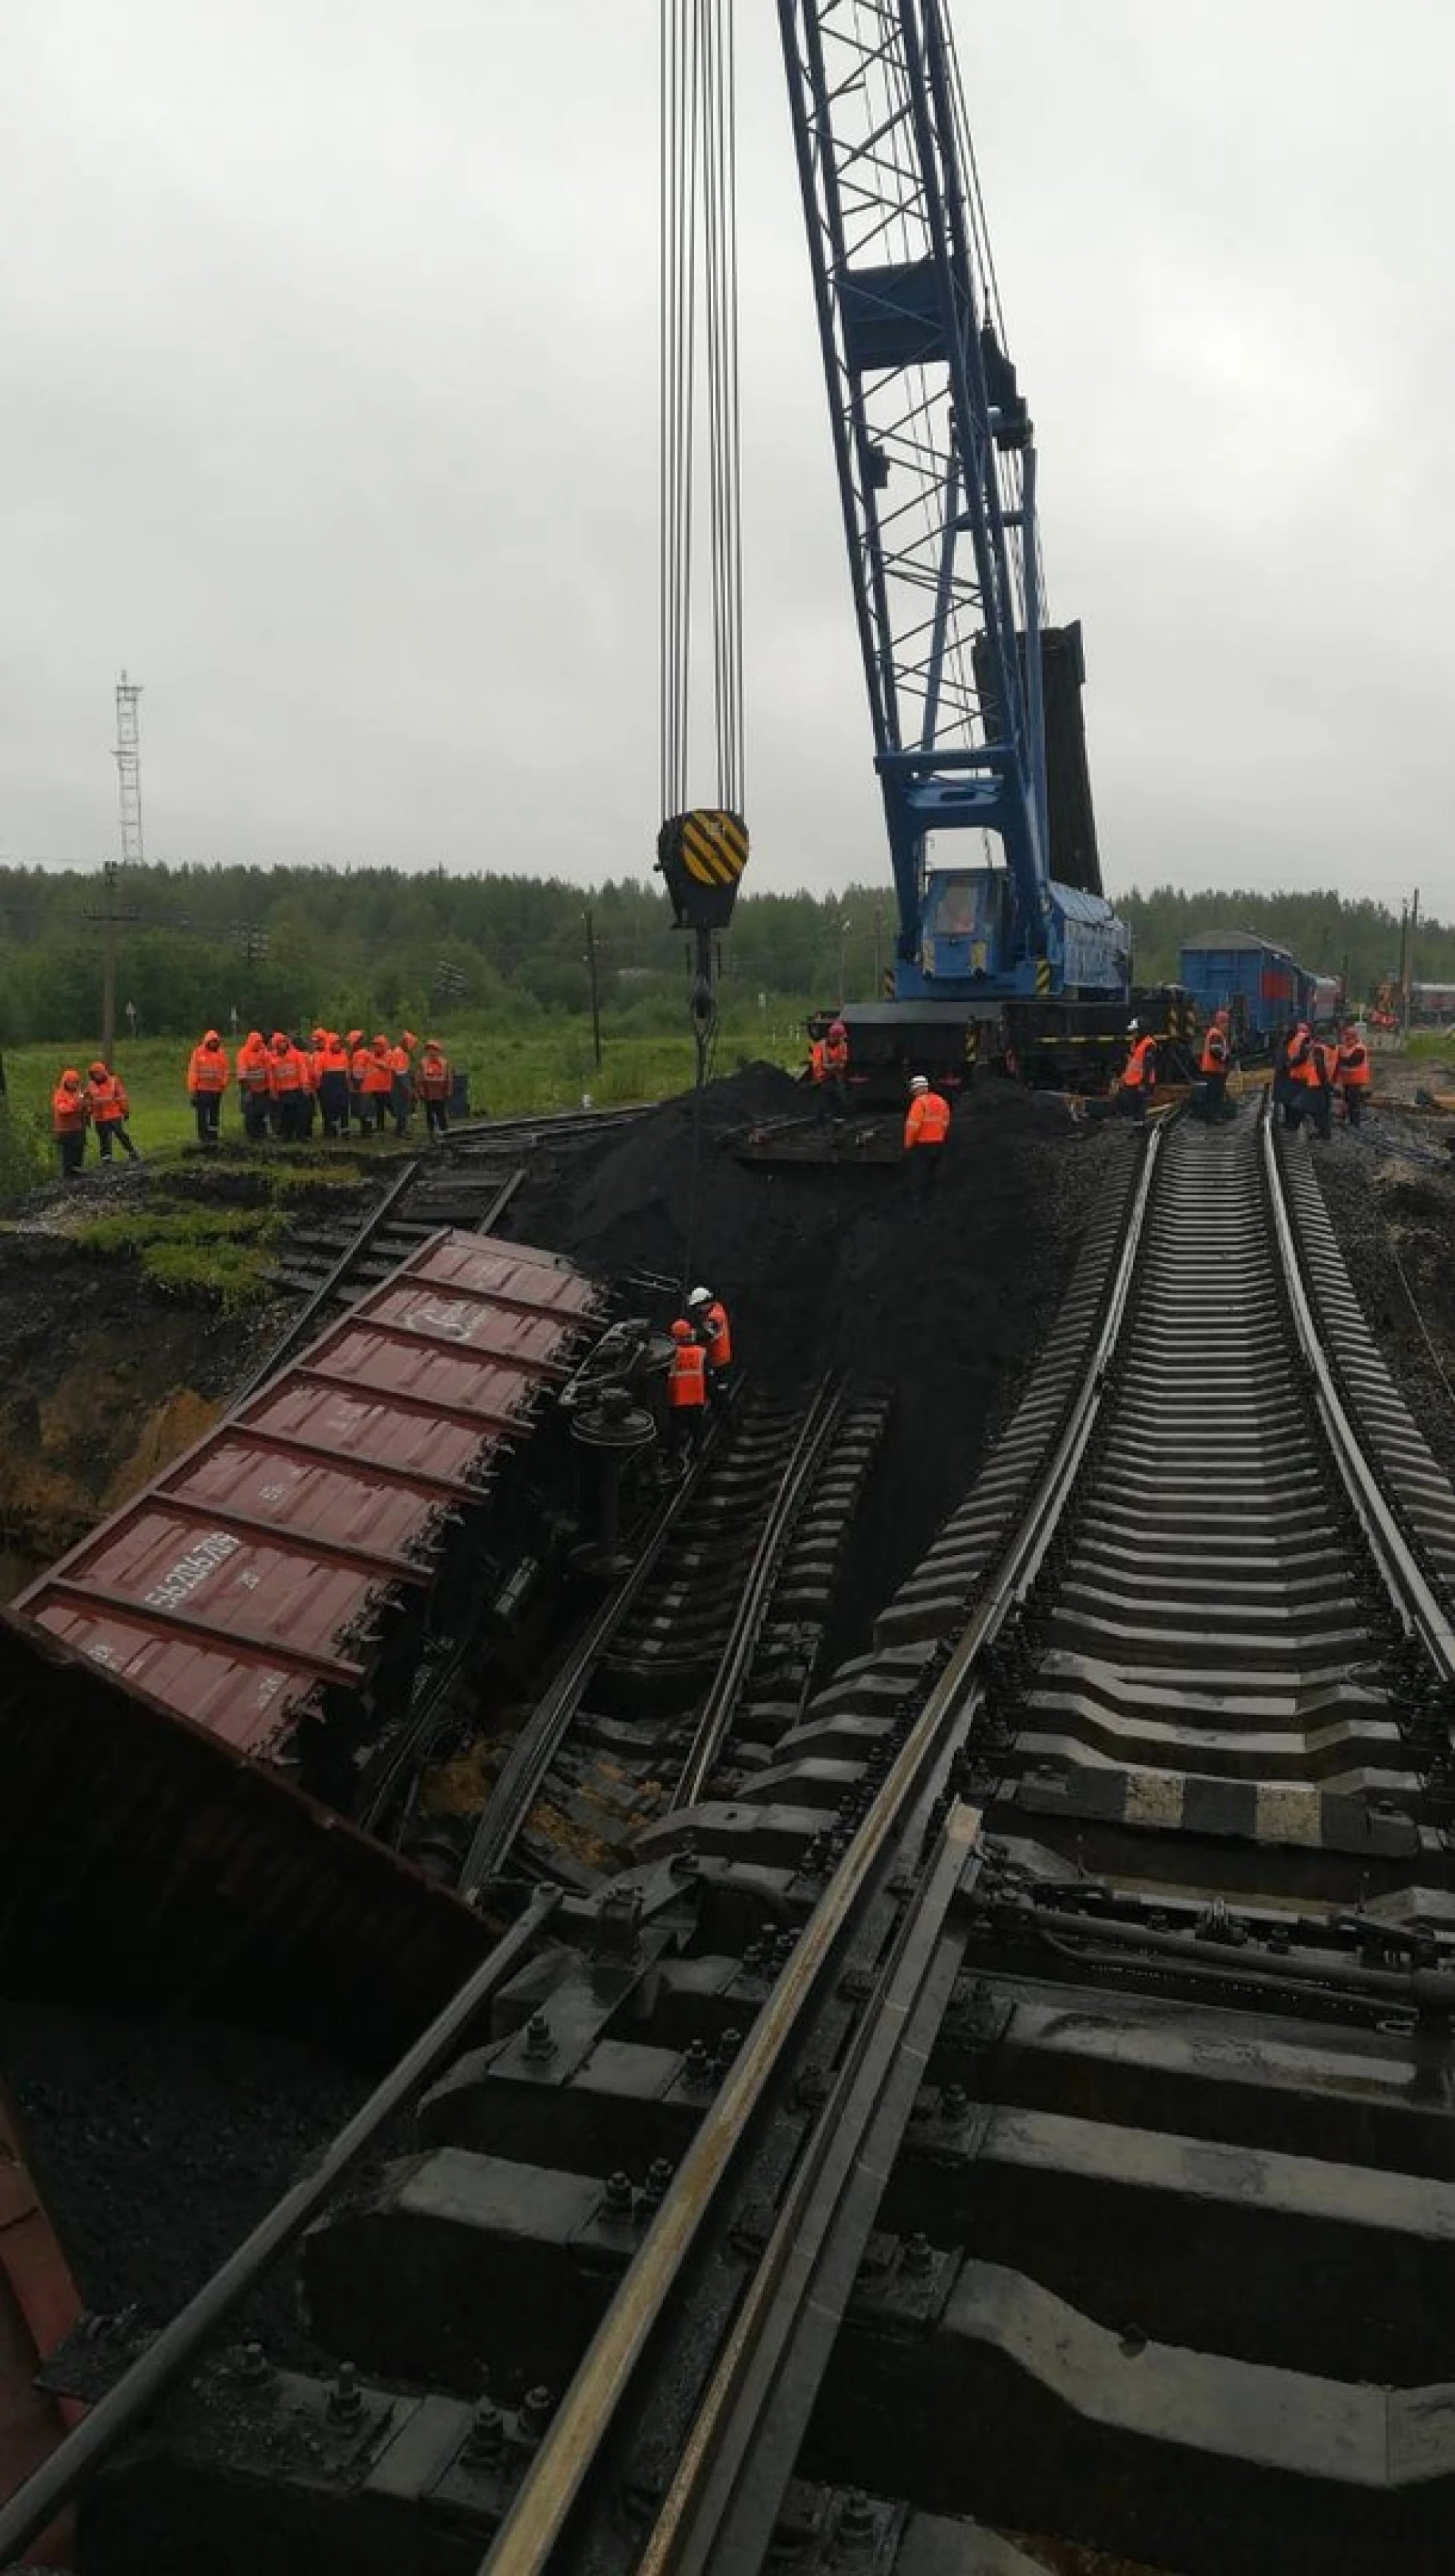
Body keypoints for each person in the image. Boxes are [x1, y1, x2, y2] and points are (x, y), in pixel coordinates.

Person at [665, 1315, 708, 1462]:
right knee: (696, 1428)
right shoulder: (700, 1352)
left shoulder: (670, 1355)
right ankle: (697, 1452)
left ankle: (673, 1455)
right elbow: (708, 1374)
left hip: (677, 1399)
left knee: (675, 1429)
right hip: (696, 1398)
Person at [903, 1072, 950, 1192]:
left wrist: (908, 1145)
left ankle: (918, 1202)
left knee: (919, 1177)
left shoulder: (919, 1103)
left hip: (922, 1145)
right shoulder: (941, 1101)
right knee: (933, 1174)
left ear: (916, 1089)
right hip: (939, 1144)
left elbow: (913, 1127)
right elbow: (945, 1123)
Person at [85, 1060, 139, 1163]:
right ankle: (106, 1158)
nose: (96, 1076)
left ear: (103, 1072)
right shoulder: (90, 1085)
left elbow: (121, 1096)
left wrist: (125, 1111)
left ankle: (132, 1152)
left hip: (114, 1115)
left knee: (121, 1134)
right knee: (104, 1138)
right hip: (100, 1117)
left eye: (97, 1073)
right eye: (94, 1074)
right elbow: (88, 1101)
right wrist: (88, 1114)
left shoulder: (114, 1081)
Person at [187, 1028, 230, 1144]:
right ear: (207, 1041)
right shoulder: (198, 1053)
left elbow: (225, 1070)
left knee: (214, 1114)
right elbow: (193, 1071)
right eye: (212, 1042)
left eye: (215, 1042)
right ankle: (203, 1137)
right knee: (202, 1114)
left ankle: (213, 1135)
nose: (213, 1044)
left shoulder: (221, 1054)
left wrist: (223, 1084)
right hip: (202, 1089)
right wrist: (193, 1089)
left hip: (216, 1090)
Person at [687, 1284, 732, 1391]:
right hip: (715, 1354)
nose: (697, 1309)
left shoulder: (715, 1317)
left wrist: (687, 1335)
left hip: (718, 1357)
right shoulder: (716, 1306)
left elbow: (705, 1334)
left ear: (705, 1303)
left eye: (698, 1306)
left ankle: (721, 1402)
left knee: (719, 1385)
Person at [267, 1029, 308, 1141]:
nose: (283, 1045)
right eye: (280, 1043)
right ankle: (287, 1135)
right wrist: (272, 1090)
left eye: (284, 1042)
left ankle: (301, 1135)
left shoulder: (296, 1055)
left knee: (299, 1114)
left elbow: (302, 1070)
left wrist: (304, 1085)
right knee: (285, 1115)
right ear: (276, 1045)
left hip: (296, 1089)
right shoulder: (272, 1059)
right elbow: (271, 1076)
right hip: (281, 1091)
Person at [51, 1067, 89, 1178]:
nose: (75, 1084)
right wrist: (76, 1103)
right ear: (66, 1082)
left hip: (78, 1127)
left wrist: (87, 1104)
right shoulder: (60, 1094)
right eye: (73, 1082)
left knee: (79, 1149)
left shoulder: (78, 1094)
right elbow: (62, 1110)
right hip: (65, 1129)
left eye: (76, 1082)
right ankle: (67, 1174)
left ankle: (77, 1171)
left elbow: (84, 1108)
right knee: (68, 1152)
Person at [236, 1029, 272, 1141]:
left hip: (262, 1088)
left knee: (261, 1112)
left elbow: (269, 1070)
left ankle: (261, 1134)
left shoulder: (264, 1053)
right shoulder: (243, 1053)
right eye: (257, 1042)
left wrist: (269, 1087)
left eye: (260, 1042)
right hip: (249, 1088)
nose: (259, 1044)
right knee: (250, 1113)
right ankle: (251, 1135)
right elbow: (242, 1071)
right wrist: (246, 1089)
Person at [414, 1038, 452, 1138]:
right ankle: (431, 1132)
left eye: (434, 1049)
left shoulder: (444, 1062)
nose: (432, 1052)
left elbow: (449, 1077)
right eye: (430, 1050)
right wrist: (420, 1091)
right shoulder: (423, 1063)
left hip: (441, 1092)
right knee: (430, 1113)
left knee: (441, 1113)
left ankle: (445, 1131)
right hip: (428, 1092)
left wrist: (448, 1090)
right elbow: (419, 1078)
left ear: (438, 1051)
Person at [317, 1031, 352, 1140]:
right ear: (330, 1044)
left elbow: (347, 1071)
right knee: (330, 1109)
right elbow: (317, 1072)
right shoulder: (322, 1057)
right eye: (335, 1043)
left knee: (344, 1108)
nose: (337, 1045)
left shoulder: (344, 1055)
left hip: (342, 1085)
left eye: (338, 1043)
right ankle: (331, 1131)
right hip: (328, 1086)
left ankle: (345, 1131)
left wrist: (348, 1083)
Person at [1119, 1021, 1157, 1120]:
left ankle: (1141, 1131)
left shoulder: (1148, 1044)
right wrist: (1124, 1077)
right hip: (1132, 1082)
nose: (1133, 1034)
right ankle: (1137, 1128)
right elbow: (1132, 1063)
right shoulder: (1136, 1043)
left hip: (1141, 1083)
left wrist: (1144, 1083)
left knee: (1140, 1110)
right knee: (1133, 1109)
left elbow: (1148, 1066)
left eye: (1135, 1031)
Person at [1336, 1022, 1371, 1128]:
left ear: (1355, 1037)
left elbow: (1352, 1062)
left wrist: (1338, 1060)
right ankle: (1344, 1118)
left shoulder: (1359, 1049)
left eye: (1348, 1036)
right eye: (1345, 1036)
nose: (1346, 1039)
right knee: (1346, 1100)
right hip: (1347, 1080)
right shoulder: (1344, 1047)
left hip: (1356, 1080)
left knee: (1353, 1102)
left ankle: (1355, 1124)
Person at [1198, 1010, 1231, 1120]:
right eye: (1226, 1023)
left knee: (1214, 1094)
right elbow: (1215, 1052)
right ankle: (1214, 1116)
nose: (1227, 1026)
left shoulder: (1215, 1033)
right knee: (1215, 1094)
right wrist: (1224, 1059)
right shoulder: (1216, 1034)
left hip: (1214, 1070)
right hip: (1214, 1070)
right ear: (1221, 1023)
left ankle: (1213, 1115)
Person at [817, 1019, 850, 1122]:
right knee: (825, 1097)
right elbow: (817, 1065)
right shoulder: (821, 1046)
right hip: (823, 1077)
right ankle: (823, 1120)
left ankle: (838, 1120)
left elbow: (843, 1062)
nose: (842, 1039)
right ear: (833, 1036)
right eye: (840, 1037)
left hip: (836, 1076)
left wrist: (834, 1067)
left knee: (840, 1098)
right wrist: (826, 1071)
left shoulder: (842, 1045)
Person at [1310, 1031, 1339, 1142]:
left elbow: (1320, 1068)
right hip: (1326, 1083)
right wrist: (1331, 1083)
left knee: (1319, 1109)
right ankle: (1325, 1133)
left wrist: (1326, 1083)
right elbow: (1336, 1067)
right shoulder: (1336, 1049)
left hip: (1318, 1084)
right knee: (1325, 1109)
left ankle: (1323, 1133)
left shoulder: (1319, 1049)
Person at [387, 1031, 416, 1138]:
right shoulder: (399, 1054)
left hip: (397, 1083)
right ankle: (401, 1130)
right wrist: (409, 1089)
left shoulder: (399, 1053)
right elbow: (401, 1074)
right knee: (403, 1107)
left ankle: (400, 1130)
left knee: (401, 1107)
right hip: (399, 1084)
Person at [346, 1031, 371, 1134]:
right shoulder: (364, 1052)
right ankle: (366, 1128)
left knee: (363, 1107)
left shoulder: (359, 1054)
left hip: (362, 1084)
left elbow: (358, 1071)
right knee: (365, 1107)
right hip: (366, 1083)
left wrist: (356, 1084)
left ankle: (366, 1130)